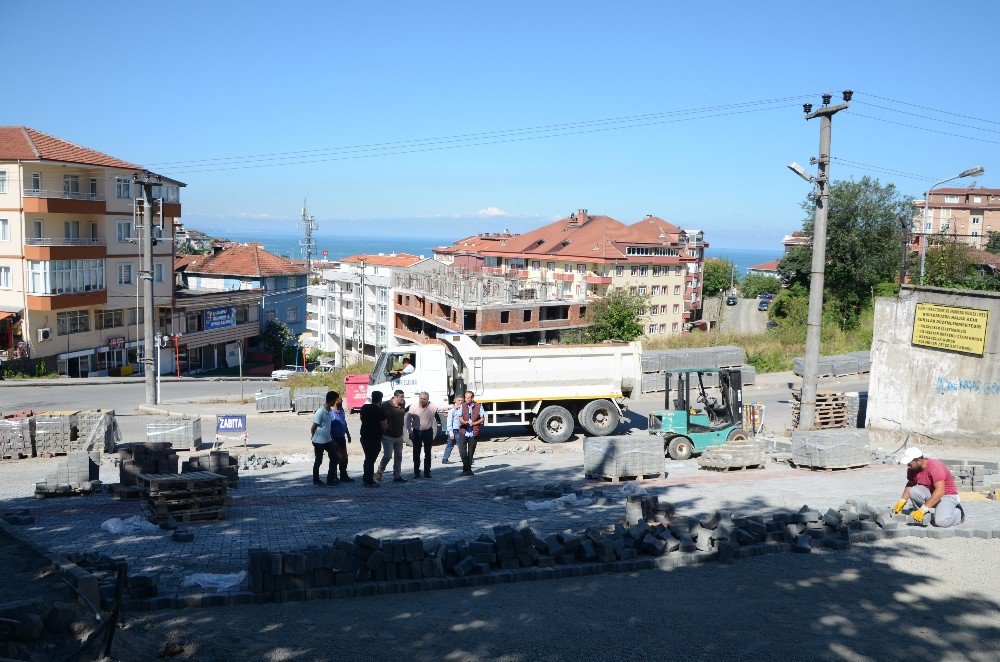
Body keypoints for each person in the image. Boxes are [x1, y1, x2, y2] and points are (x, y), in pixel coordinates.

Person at [893, 447, 965, 527]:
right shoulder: (912, 468)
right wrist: (902, 501)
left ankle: (959, 513)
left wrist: (923, 509)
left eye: (910, 463)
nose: (908, 466)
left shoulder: (935, 467)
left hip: (947, 495)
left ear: (919, 461)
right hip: (932, 494)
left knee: (941, 522)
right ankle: (923, 514)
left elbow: (940, 491)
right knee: (913, 491)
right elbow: (910, 484)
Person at [407, 391, 442, 479]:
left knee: (428, 453)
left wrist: (454, 405)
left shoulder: (432, 406)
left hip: (428, 432)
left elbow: (442, 408)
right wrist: (409, 432)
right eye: (421, 398)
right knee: (416, 453)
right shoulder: (413, 406)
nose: (422, 400)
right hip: (416, 432)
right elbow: (408, 420)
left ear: (427, 400)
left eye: (424, 399)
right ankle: (416, 472)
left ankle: (427, 472)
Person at [376, 389, 408, 483]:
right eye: (401, 397)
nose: (403, 399)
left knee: (398, 456)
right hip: (387, 436)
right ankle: (380, 470)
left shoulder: (403, 403)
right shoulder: (386, 405)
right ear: (395, 397)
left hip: (399, 435)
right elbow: (379, 417)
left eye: (403, 396)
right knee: (388, 456)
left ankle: (397, 476)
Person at [309, 391, 339, 487]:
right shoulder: (320, 412)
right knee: (319, 460)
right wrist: (313, 437)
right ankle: (316, 480)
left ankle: (330, 481)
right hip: (319, 441)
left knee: (334, 458)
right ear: (331, 401)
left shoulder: (329, 410)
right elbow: (313, 427)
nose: (336, 403)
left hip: (328, 440)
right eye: (335, 401)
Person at [359, 391, 388, 487]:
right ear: (380, 399)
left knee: (368, 458)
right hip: (374, 438)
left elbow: (361, 418)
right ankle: (368, 481)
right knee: (370, 460)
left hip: (364, 437)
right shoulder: (380, 411)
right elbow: (384, 426)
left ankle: (366, 478)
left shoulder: (364, 407)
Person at [458, 390, 485, 476]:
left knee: (471, 452)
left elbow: (482, 418)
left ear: (472, 398)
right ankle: (467, 468)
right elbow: (460, 417)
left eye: (468, 398)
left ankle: (467, 470)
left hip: (473, 432)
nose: (466, 399)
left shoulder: (479, 406)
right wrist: (464, 422)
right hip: (464, 431)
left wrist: (474, 423)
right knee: (462, 452)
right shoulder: (462, 406)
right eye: (465, 397)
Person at [328, 391, 353, 482]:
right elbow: (328, 427)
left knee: (344, 457)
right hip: (333, 438)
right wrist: (332, 440)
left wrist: (348, 433)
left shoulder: (341, 409)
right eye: (340, 398)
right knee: (335, 457)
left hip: (342, 437)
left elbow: (344, 421)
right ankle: (334, 476)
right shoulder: (329, 412)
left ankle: (343, 475)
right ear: (335, 400)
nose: (342, 400)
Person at [441, 395, 464, 464]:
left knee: (451, 444)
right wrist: (450, 432)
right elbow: (449, 422)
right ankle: (464, 459)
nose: (460, 402)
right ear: (455, 401)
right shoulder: (452, 411)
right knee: (459, 445)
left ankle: (445, 459)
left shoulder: (462, 409)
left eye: (462, 401)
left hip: (459, 429)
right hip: (454, 430)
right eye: (459, 400)